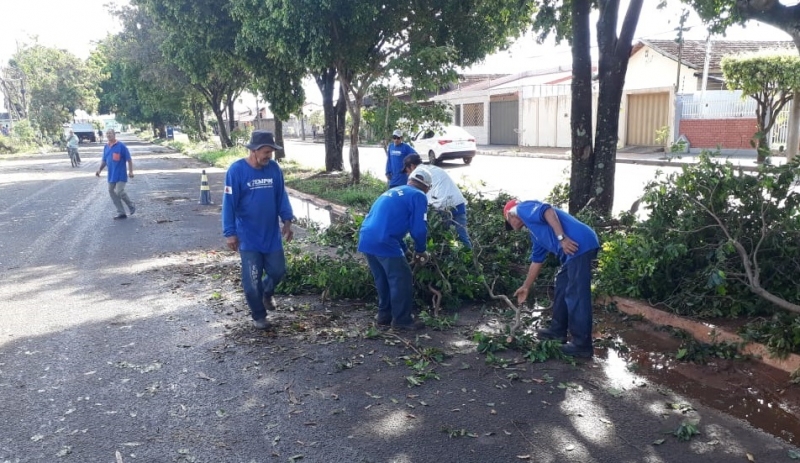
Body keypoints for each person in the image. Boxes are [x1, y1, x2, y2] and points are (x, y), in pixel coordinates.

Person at [504, 199, 600, 358]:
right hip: (573, 253)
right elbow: (536, 262)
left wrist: (562, 238)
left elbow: (547, 210)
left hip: (579, 246)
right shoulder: (536, 233)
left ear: (509, 215)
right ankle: (557, 331)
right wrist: (526, 286)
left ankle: (582, 345)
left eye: (509, 223)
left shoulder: (520, 209)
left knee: (576, 294)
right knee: (562, 286)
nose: (512, 228)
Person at [222, 130, 295, 330]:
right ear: (254, 151)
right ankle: (259, 315)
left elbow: (281, 196)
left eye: (271, 152)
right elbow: (229, 203)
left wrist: (287, 221)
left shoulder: (274, 169)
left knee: (278, 270)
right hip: (248, 237)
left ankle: (267, 292)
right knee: (252, 280)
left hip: (271, 235)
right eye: (265, 152)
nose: (269, 156)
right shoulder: (236, 171)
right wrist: (230, 232)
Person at [358, 167, 433, 331]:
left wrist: (405, 249)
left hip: (367, 238)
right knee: (402, 279)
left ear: (410, 180)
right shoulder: (419, 196)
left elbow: (390, 222)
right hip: (385, 240)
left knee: (383, 278)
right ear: (427, 187)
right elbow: (419, 229)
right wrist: (421, 250)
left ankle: (384, 316)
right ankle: (402, 320)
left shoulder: (394, 190)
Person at [403, 154, 472, 248]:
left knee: (441, 237)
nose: (407, 173)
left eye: (406, 170)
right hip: (458, 203)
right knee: (462, 237)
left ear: (411, 166)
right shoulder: (433, 168)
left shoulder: (415, 175)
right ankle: (470, 259)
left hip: (442, 207)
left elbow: (417, 199)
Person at [96, 129, 135, 220]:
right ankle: (121, 212)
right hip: (111, 175)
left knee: (119, 191)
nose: (109, 135)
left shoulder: (121, 146)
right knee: (110, 190)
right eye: (107, 133)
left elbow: (129, 159)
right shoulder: (106, 147)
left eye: (110, 133)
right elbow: (104, 160)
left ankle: (131, 205)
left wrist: (131, 171)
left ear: (114, 135)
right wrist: (99, 170)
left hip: (121, 174)